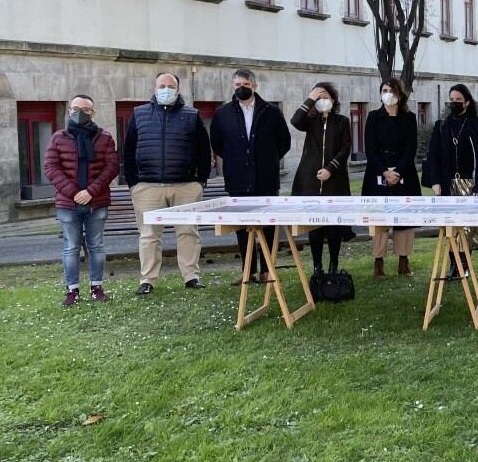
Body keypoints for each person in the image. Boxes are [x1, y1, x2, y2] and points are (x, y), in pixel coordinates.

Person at [123, 72, 213, 296]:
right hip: (148, 187)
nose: (166, 89)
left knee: (188, 233)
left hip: (185, 186)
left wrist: (200, 181)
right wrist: (134, 183)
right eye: (161, 85)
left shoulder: (192, 115)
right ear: (154, 88)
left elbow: (204, 150)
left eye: (170, 86)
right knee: (149, 235)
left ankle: (191, 276)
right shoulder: (139, 114)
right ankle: (148, 280)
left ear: (178, 89)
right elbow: (128, 150)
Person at [209, 69, 291, 283]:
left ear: (254, 86)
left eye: (245, 84)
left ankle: (267, 269)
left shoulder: (271, 112)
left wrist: (268, 160)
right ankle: (247, 271)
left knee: (268, 227)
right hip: (238, 179)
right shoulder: (223, 113)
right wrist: (237, 159)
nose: (241, 88)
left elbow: (284, 142)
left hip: (266, 179)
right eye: (237, 85)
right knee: (242, 228)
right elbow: (217, 143)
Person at [43, 95, 120, 306]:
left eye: (85, 109)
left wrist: (91, 192)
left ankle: (97, 287)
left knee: (96, 246)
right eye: (75, 108)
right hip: (68, 203)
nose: (80, 113)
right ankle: (72, 290)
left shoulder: (104, 137)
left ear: (93, 113)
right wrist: (74, 192)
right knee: (71, 247)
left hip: (96, 202)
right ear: (69, 111)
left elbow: (112, 167)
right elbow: (51, 167)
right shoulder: (58, 138)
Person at [421, 83, 478, 278]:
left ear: (467, 102)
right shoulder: (441, 126)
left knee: (467, 228)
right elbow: (433, 155)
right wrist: (435, 183)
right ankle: (454, 264)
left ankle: (464, 265)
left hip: (469, 184)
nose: (454, 104)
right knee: (450, 228)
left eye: (458, 101)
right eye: (451, 100)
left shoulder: (476, 126)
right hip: (447, 184)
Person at [362, 77, 422, 278]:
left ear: (399, 94)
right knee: (379, 218)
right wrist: (384, 172)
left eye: (391, 90)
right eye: (384, 90)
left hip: (403, 172)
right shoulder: (373, 117)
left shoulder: (409, 118)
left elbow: (410, 148)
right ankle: (378, 262)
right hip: (378, 173)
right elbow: (370, 149)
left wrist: (398, 172)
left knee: (404, 218)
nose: (387, 94)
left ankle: (403, 260)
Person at [291, 82, 352, 275]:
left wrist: (330, 168)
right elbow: (295, 120)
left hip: (334, 180)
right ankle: (317, 266)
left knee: (334, 226)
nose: (322, 101)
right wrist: (310, 98)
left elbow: (345, 149)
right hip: (310, 180)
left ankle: (333, 264)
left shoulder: (342, 121)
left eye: (325, 97)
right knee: (315, 227)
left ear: (333, 100)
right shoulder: (310, 121)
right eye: (319, 98)